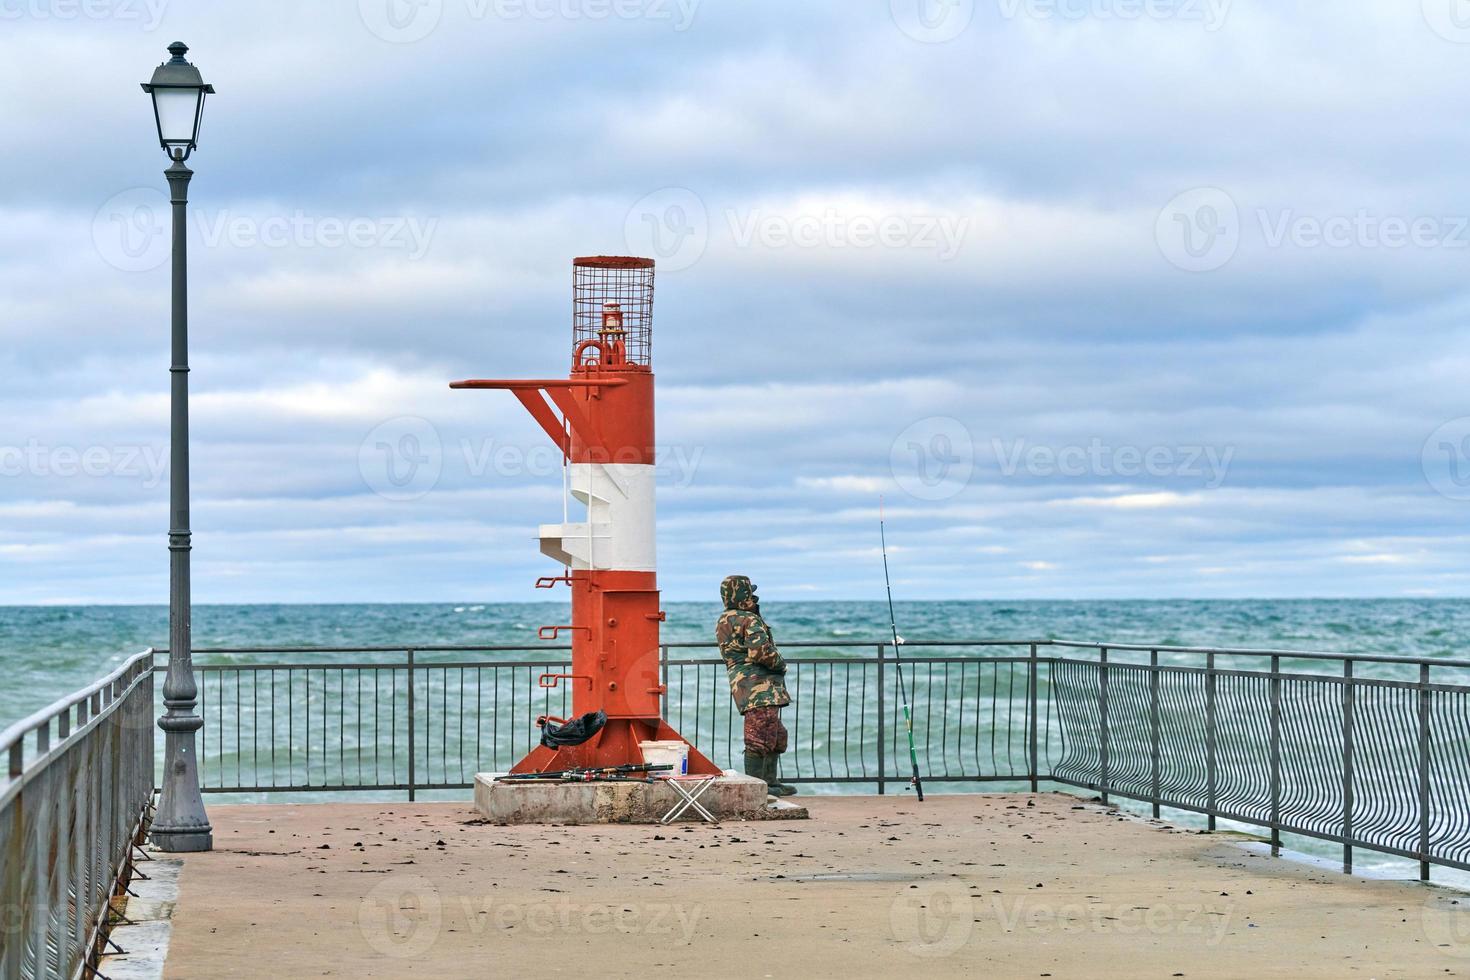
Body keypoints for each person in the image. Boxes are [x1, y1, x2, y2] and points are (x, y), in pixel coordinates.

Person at [715, 575, 796, 796]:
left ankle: (770, 783)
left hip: (747, 685)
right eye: (749, 592)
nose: (753, 596)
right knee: (759, 736)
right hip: (758, 686)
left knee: (775, 733)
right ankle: (759, 787)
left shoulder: (726, 618)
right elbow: (761, 651)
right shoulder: (748, 619)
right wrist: (781, 665)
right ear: (743, 594)